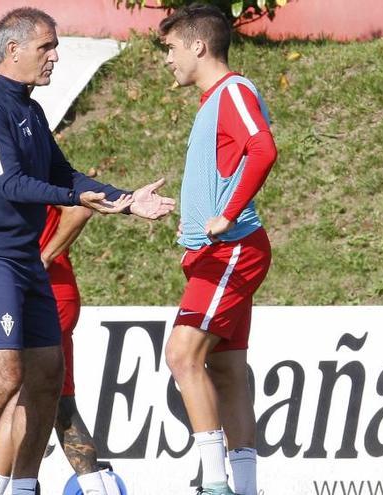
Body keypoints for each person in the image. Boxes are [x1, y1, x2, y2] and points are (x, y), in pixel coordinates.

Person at [0, 7, 175, 495]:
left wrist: (127, 201)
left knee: (48, 377)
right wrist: (76, 199)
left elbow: (62, 175)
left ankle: (24, 488)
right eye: (46, 47)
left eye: (55, 46)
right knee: (3, 377)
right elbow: (9, 182)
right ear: (13, 50)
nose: (55, 56)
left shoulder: (28, 107)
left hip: (25, 257)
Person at [158, 5, 277, 495]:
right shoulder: (213, 101)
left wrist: (227, 214)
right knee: (226, 370)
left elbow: (263, 147)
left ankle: (214, 484)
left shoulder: (234, 91)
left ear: (198, 46)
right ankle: (244, 487)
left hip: (233, 249)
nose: (167, 60)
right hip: (218, 253)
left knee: (182, 354)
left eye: (170, 49)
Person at [0, 205, 122, 495]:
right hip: (50, 296)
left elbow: (78, 212)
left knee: (18, 394)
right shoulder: (25, 169)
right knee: (61, 400)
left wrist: (45, 256)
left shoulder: (36, 166)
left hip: (44, 296)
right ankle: (95, 487)